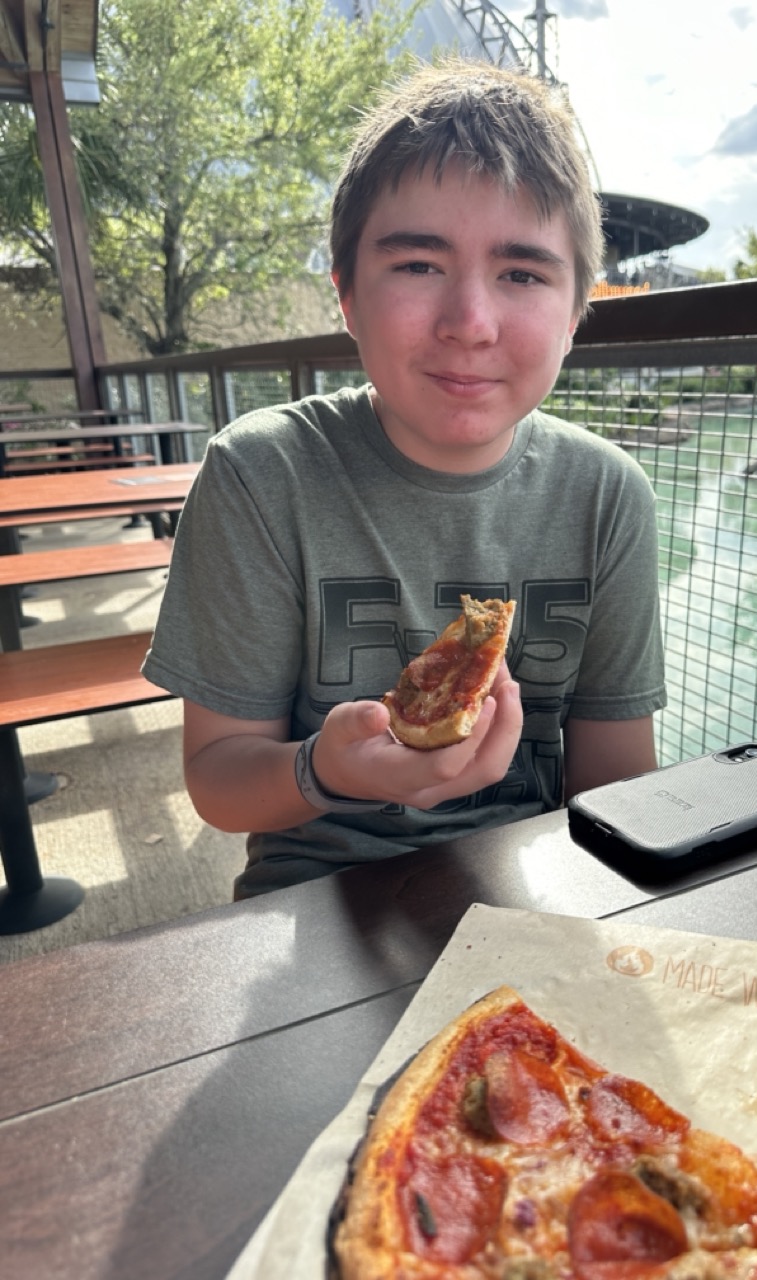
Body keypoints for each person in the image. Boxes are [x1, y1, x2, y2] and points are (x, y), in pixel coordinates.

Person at [142, 58, 666, 899]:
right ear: (347, 294)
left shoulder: (609, 496)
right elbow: (218, 780)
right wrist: (326, 770)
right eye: (420, 264)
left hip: (538, 888)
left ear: (575, 314)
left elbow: (616, 789)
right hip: (317, 891)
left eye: (523, 274)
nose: (471, 323)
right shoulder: (260, 475)